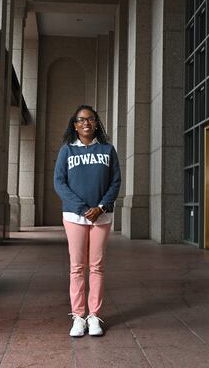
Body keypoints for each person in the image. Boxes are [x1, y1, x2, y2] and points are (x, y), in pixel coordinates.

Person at [54, 105, 121, 337]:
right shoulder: (67, 151)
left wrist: (101, 207)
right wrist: (83, 209)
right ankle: (78, 317)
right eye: (81, 120)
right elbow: (59, 182)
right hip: (74, 216)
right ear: (75, 125)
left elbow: (115, 182)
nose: (86, 123)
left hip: (102, 216)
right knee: (77, 267)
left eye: (90, 119)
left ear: (96, 123)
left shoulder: (107, 149)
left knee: (97, 266)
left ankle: (94, 317)